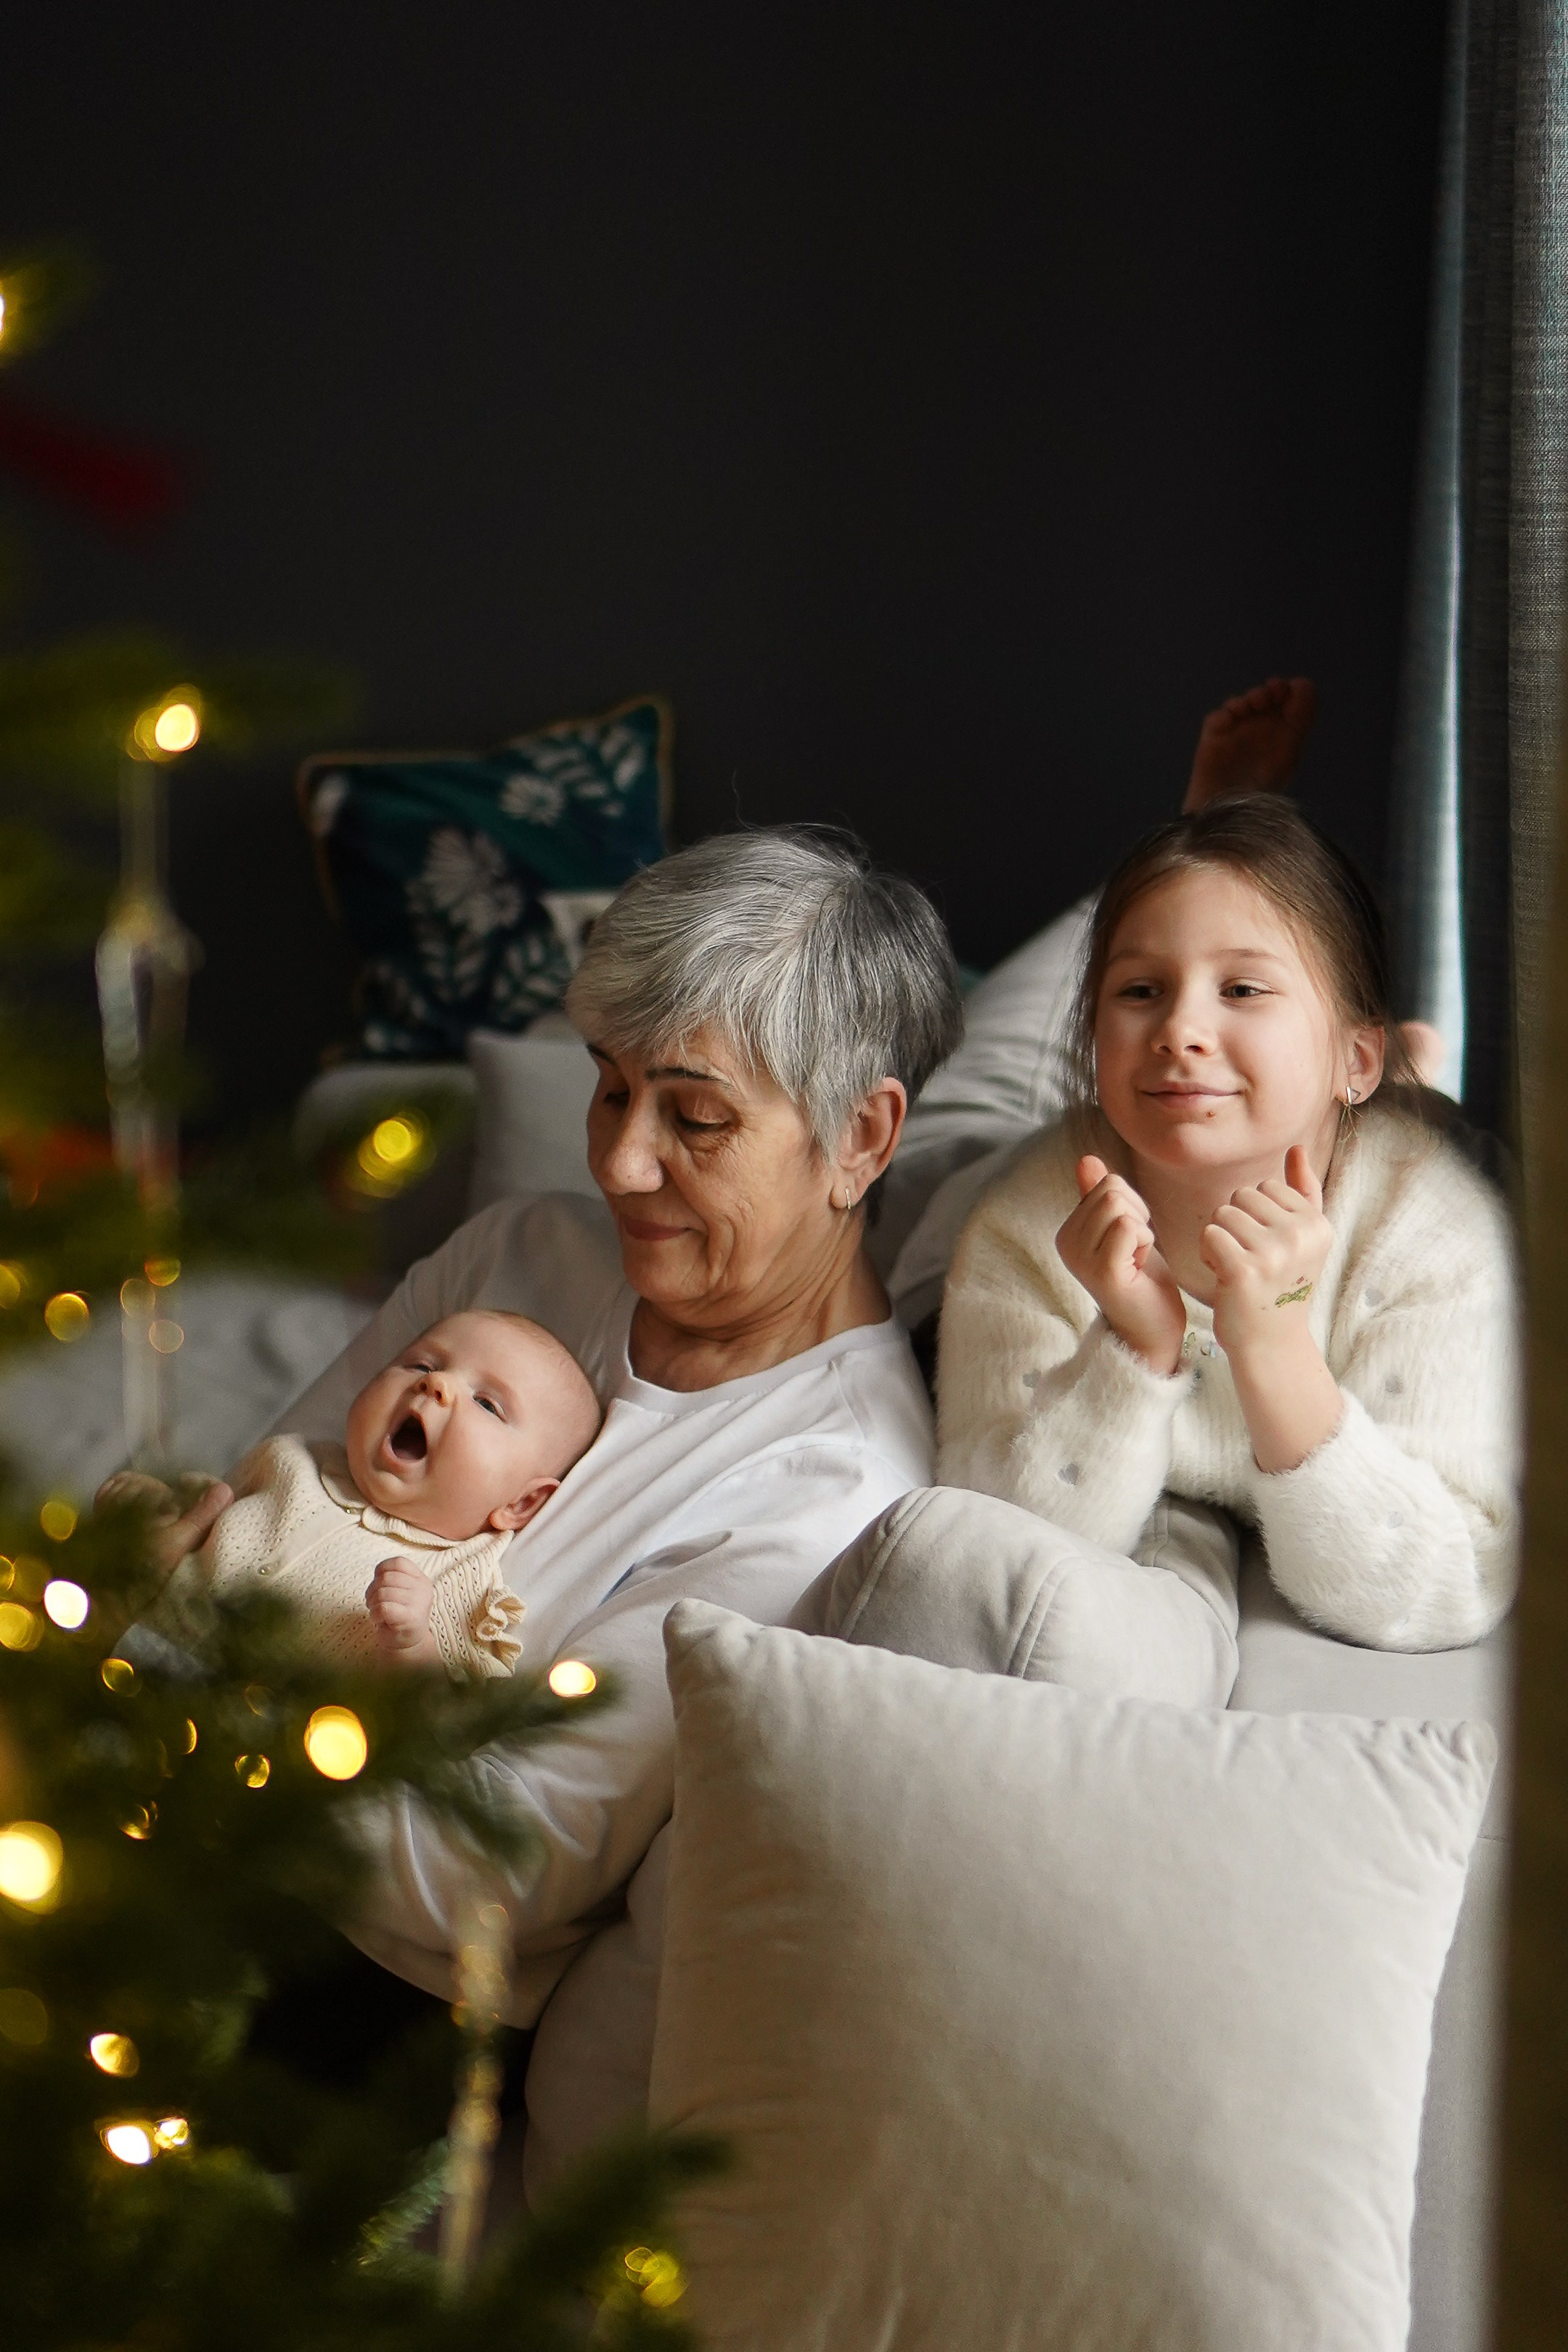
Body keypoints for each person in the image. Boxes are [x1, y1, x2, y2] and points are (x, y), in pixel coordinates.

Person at [134, 824, 962, 2023]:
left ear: (863, 1140)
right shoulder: (522, 1250)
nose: (621, 1162)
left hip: (344, 1992)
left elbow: (486, 1869)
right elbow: (265, 1507)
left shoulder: (826, 1489)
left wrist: (187, 1713)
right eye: (612, 1085)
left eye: (696, 1117)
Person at [935, 795, 1520, 1654]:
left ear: (1353, 1058)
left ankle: (1410, 1074)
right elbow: (1005, 1546)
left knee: (1474, 1153)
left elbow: (1448, 1584)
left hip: (1390, 1142)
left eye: (1242, 988)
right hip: (964, 1182)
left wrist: (1278, 1348)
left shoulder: (1434, 1234)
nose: (1178, 1030)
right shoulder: (1026, 1219)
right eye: (1140, 991)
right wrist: (1134, 1346)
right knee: (949, 1132)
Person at [141, 1310, 601, 1677]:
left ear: (520, 1503)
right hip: (140, 1644)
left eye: (486, 1404)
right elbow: (203, 1515)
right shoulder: (290, 1458)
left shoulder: (462, 1580)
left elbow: (448, 1718)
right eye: (422, 1364)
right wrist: (148, 1513)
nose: (435, 1384)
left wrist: (413, 1644)